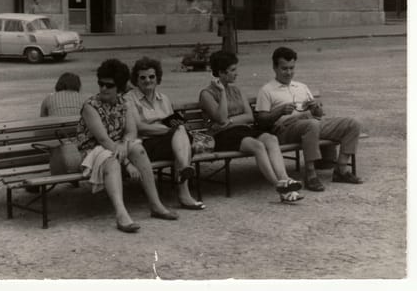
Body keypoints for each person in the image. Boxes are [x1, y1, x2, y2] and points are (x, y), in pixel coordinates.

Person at [77, 58, 178, 233]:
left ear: (119, 87)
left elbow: (131, 132)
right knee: (111, 161)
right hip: (94, 151)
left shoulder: (124, 103)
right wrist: (126, 162)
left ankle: (156, 204)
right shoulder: (90, 106)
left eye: (109, 85)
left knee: (138, 149)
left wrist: (124, 144)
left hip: (117, 146)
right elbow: (103, 140)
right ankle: (121, 214)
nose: (103, 89)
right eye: (101, 84)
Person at [199, 51, 304, 203]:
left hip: (240, 130)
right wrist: (222, 92)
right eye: (233, 70)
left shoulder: (236, 90)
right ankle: (279, 186)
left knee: (271, 138)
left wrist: (230, 121)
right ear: (221, 73)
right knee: (257, 146)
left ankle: (285, 178)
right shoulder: (206, 94)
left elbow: (249, 116)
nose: (237, 73)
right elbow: (221, 119)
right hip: (222, 135)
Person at [255, 46, 363, 192]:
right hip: (286, 130)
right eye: (284, 68)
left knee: (352, 124)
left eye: (292, 68)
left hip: (311, 124)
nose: (289, 72)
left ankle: (341, 170)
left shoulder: (301, 86)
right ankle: (311, 174)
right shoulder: (267, 90)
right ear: (274, 67)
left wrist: (316, 108)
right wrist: (279, 111)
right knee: (311, 124)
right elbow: (261, 120)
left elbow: (318, 115)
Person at [125, 57, 205, 210]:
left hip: (168, 142)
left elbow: (171, 121)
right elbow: (139, 127)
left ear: (157, 78)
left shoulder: (164, 99)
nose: (147, 80)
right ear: (136, 79)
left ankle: (182, 173)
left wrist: (173, 129)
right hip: (144, 146)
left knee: (181, 133)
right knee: (181, 135)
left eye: (151, 77)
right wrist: (170, 130)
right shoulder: (129, 99)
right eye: (142, 77)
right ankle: (184, 186)